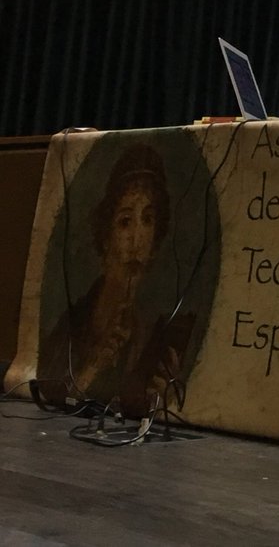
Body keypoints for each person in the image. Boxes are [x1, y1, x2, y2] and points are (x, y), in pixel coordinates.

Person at [39, 143, 192, 417]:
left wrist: (162, 401)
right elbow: (47, 397)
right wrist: (93, 366)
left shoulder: (150, 335)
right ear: (106, 236)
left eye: (148, 220)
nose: (137, 240)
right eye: (125, 221)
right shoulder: (71, 326)